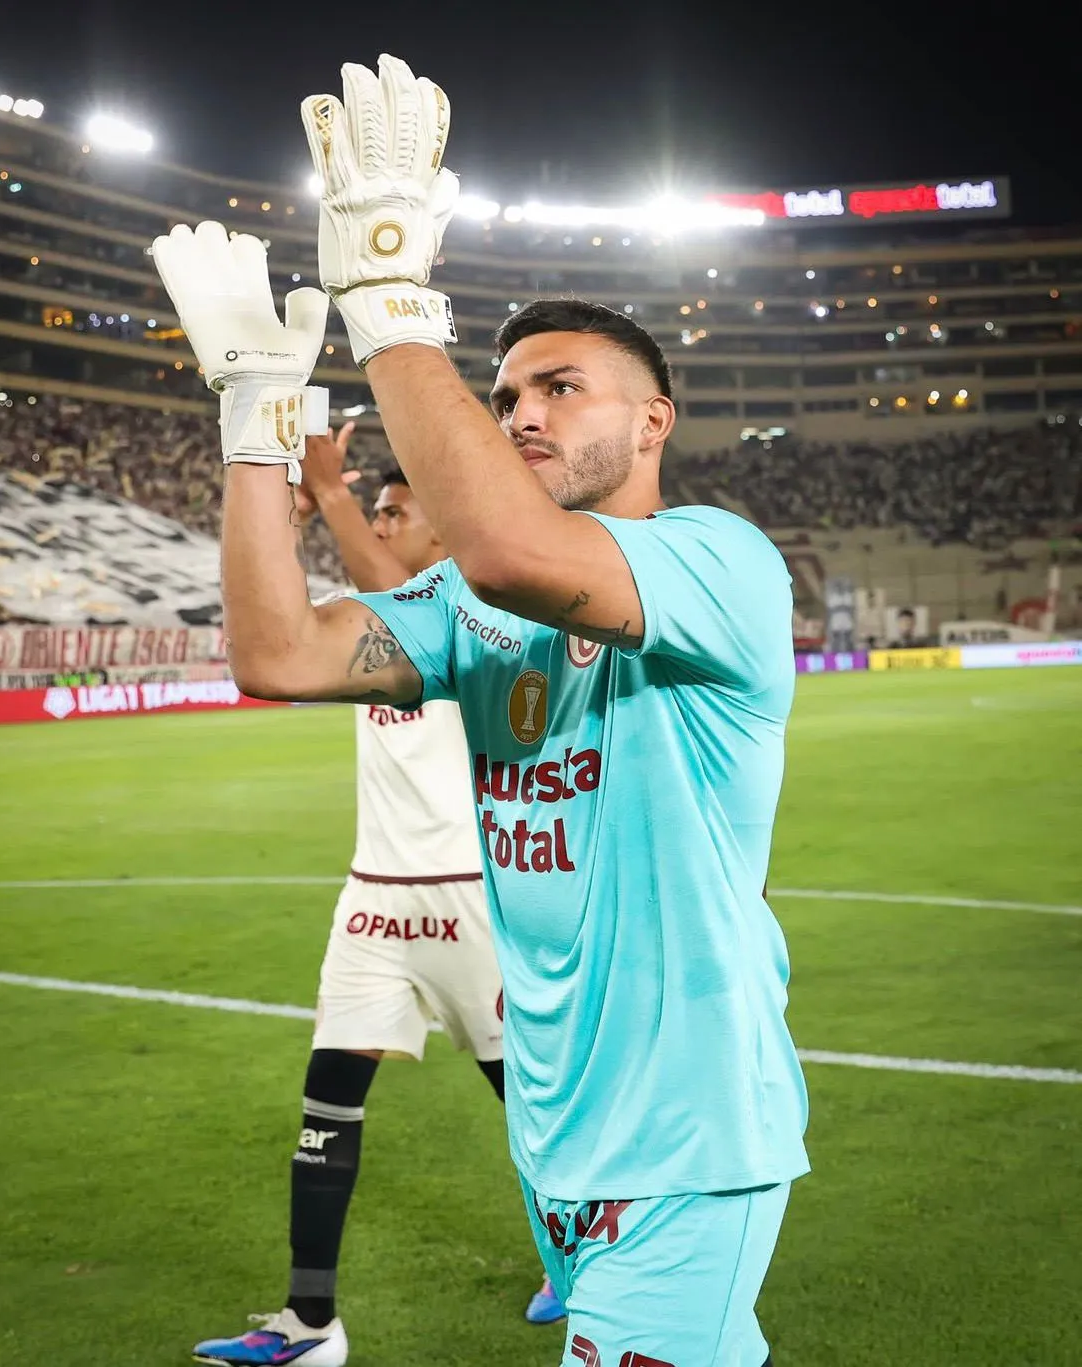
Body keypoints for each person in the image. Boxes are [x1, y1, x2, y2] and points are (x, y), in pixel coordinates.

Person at [155, 56, 808, 1365]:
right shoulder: (466, 599)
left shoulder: (717, 557)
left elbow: (516, 552)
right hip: (563, 1138)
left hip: (686, 1136)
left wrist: (385, 297)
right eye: (505, 391)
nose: (519, 410)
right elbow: (276, 652)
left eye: (557, 386)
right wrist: (247, 425)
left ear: (653, 416)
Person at [193, 428, 562, 1367]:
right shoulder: (376, 617)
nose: (385, 520)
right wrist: (298, 507)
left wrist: (329, 486)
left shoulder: (476, 610)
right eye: (380, 509)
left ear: (445, 540)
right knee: (326, 1108)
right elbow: (278, 624)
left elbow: (392, 592)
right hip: (374, 902)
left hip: (473, 902)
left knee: (534, 1106)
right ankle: (309, 1323)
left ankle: (587, 1268)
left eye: (399, 512)